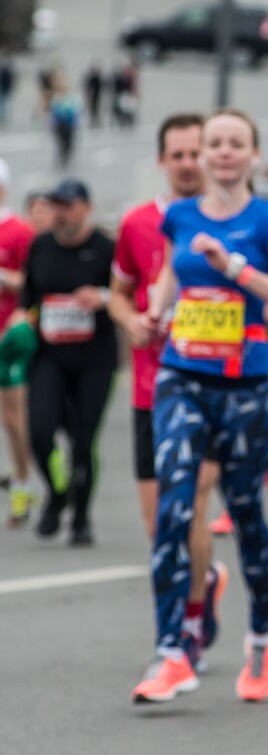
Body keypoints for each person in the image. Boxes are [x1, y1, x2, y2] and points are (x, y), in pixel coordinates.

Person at [130, 109, 268, 704]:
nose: (224, 152)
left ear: (254, 155)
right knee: (175, 511)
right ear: (201, 155)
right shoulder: (180, 216)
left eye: (236, 143)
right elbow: (172, 277)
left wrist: (235, 267)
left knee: (245, 515)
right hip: (180, 375)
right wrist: (156, 311)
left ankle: (260, 638)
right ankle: (172, 651)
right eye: (214, 144)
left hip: (244, 387)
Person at [108, 113, 228, 668]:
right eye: (176, 154)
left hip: (208, 389)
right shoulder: (136, 224)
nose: (186, 164)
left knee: (191, 509)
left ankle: (189, 621)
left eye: (193, 153)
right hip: (148, 390)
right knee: (160, 522)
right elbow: (120, 292)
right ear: (162, 160)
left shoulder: (231, 221)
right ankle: (204, 582)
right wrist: (130, 321)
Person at [16, 178, 118, 546]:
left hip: (94, 357)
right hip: (50, 355)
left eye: (69, 205)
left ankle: (81, 518)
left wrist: (103, 297)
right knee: (40, 432)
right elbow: (29, 295)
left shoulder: (106, 248)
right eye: (56, 205)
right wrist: (25, 318)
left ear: (86, 208)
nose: (61, 213)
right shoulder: (41, 245)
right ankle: (58, 495)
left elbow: (127, 296)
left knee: (83, 440)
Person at [0, 159, 36, 526]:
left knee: (12, 419)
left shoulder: (19, 232)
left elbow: (33, 282)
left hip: (7, 338)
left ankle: (23, 483)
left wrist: (6, 279)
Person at [83, 63, 103, 128]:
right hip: (92, 97)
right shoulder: (90, 78)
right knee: (92, 110)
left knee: (96, 110)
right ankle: (92, 122)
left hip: (97, 96)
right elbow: (88, 87)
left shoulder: (97, 78)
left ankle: (97, 122)